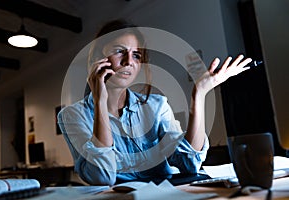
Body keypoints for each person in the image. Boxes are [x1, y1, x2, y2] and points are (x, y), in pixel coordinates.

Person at [57, 19, 252, 186]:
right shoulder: (72, 115)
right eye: (119, 51)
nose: (129, 61)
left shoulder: (156, 106)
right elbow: (102, 176)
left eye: (136, 55)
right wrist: (100, 100)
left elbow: (190, 163)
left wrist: (199, 95)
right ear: (99, 59)